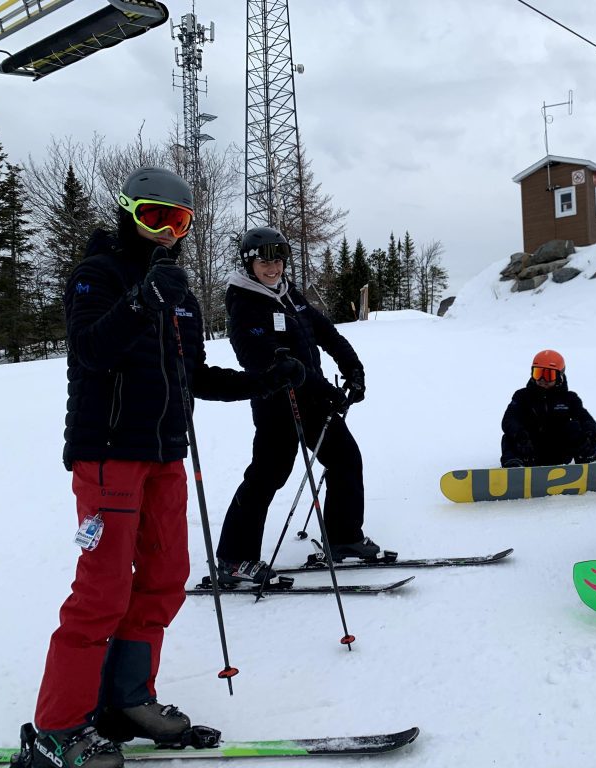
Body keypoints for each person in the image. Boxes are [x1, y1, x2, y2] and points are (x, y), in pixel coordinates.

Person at [26, 167, 305, 768]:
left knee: (164, 577)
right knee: (102, 591)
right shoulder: (97, 275)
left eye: (179, 222)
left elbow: (194, 376)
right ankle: (56, 727)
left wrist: (262, 381)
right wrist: (142, 299)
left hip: (164, 456)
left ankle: (125, 700)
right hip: (109, 455)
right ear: (128, 212)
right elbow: (90, 351)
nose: (167, 232)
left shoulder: (178, 292)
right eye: (155, 217)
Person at [215, 226, 379, 585]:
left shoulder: (291, 297)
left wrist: (353, 369)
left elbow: (328, 334)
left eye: (278, 260)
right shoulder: (244, 304)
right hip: (277, 404)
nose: (273, 268)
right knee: (268, 476)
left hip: (315, 400)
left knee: (345, 458)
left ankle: (343, 536)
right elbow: (263, 361)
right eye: (264, 262)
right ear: (249, 263)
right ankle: (233, 557)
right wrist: (325, 388)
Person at [500, 349, 596, 468]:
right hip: (529, 453)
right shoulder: (522, 396)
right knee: (509, 436)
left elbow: (585, 419)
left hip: (559, 453)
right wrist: (521, 436)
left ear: (559, 376)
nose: (542, 379)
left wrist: (591, 437)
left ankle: (586, 462)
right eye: (538, 373)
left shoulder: (570, 398)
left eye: (548, 375)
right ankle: (513, 467)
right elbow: (509, 419)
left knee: (575, 427)